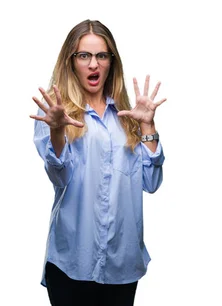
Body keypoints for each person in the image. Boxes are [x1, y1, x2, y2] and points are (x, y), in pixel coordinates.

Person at [30, 19, 166, 306]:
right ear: (71, 62)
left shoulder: (128, 117)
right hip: (72, 262)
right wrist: (57, 130)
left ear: (111, 62)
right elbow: (60, 177)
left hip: (122, 264)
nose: (94, 64)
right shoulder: (56, 114)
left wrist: (148, 126)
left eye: (102, 55)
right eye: (84, 56)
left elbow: (151, 183)